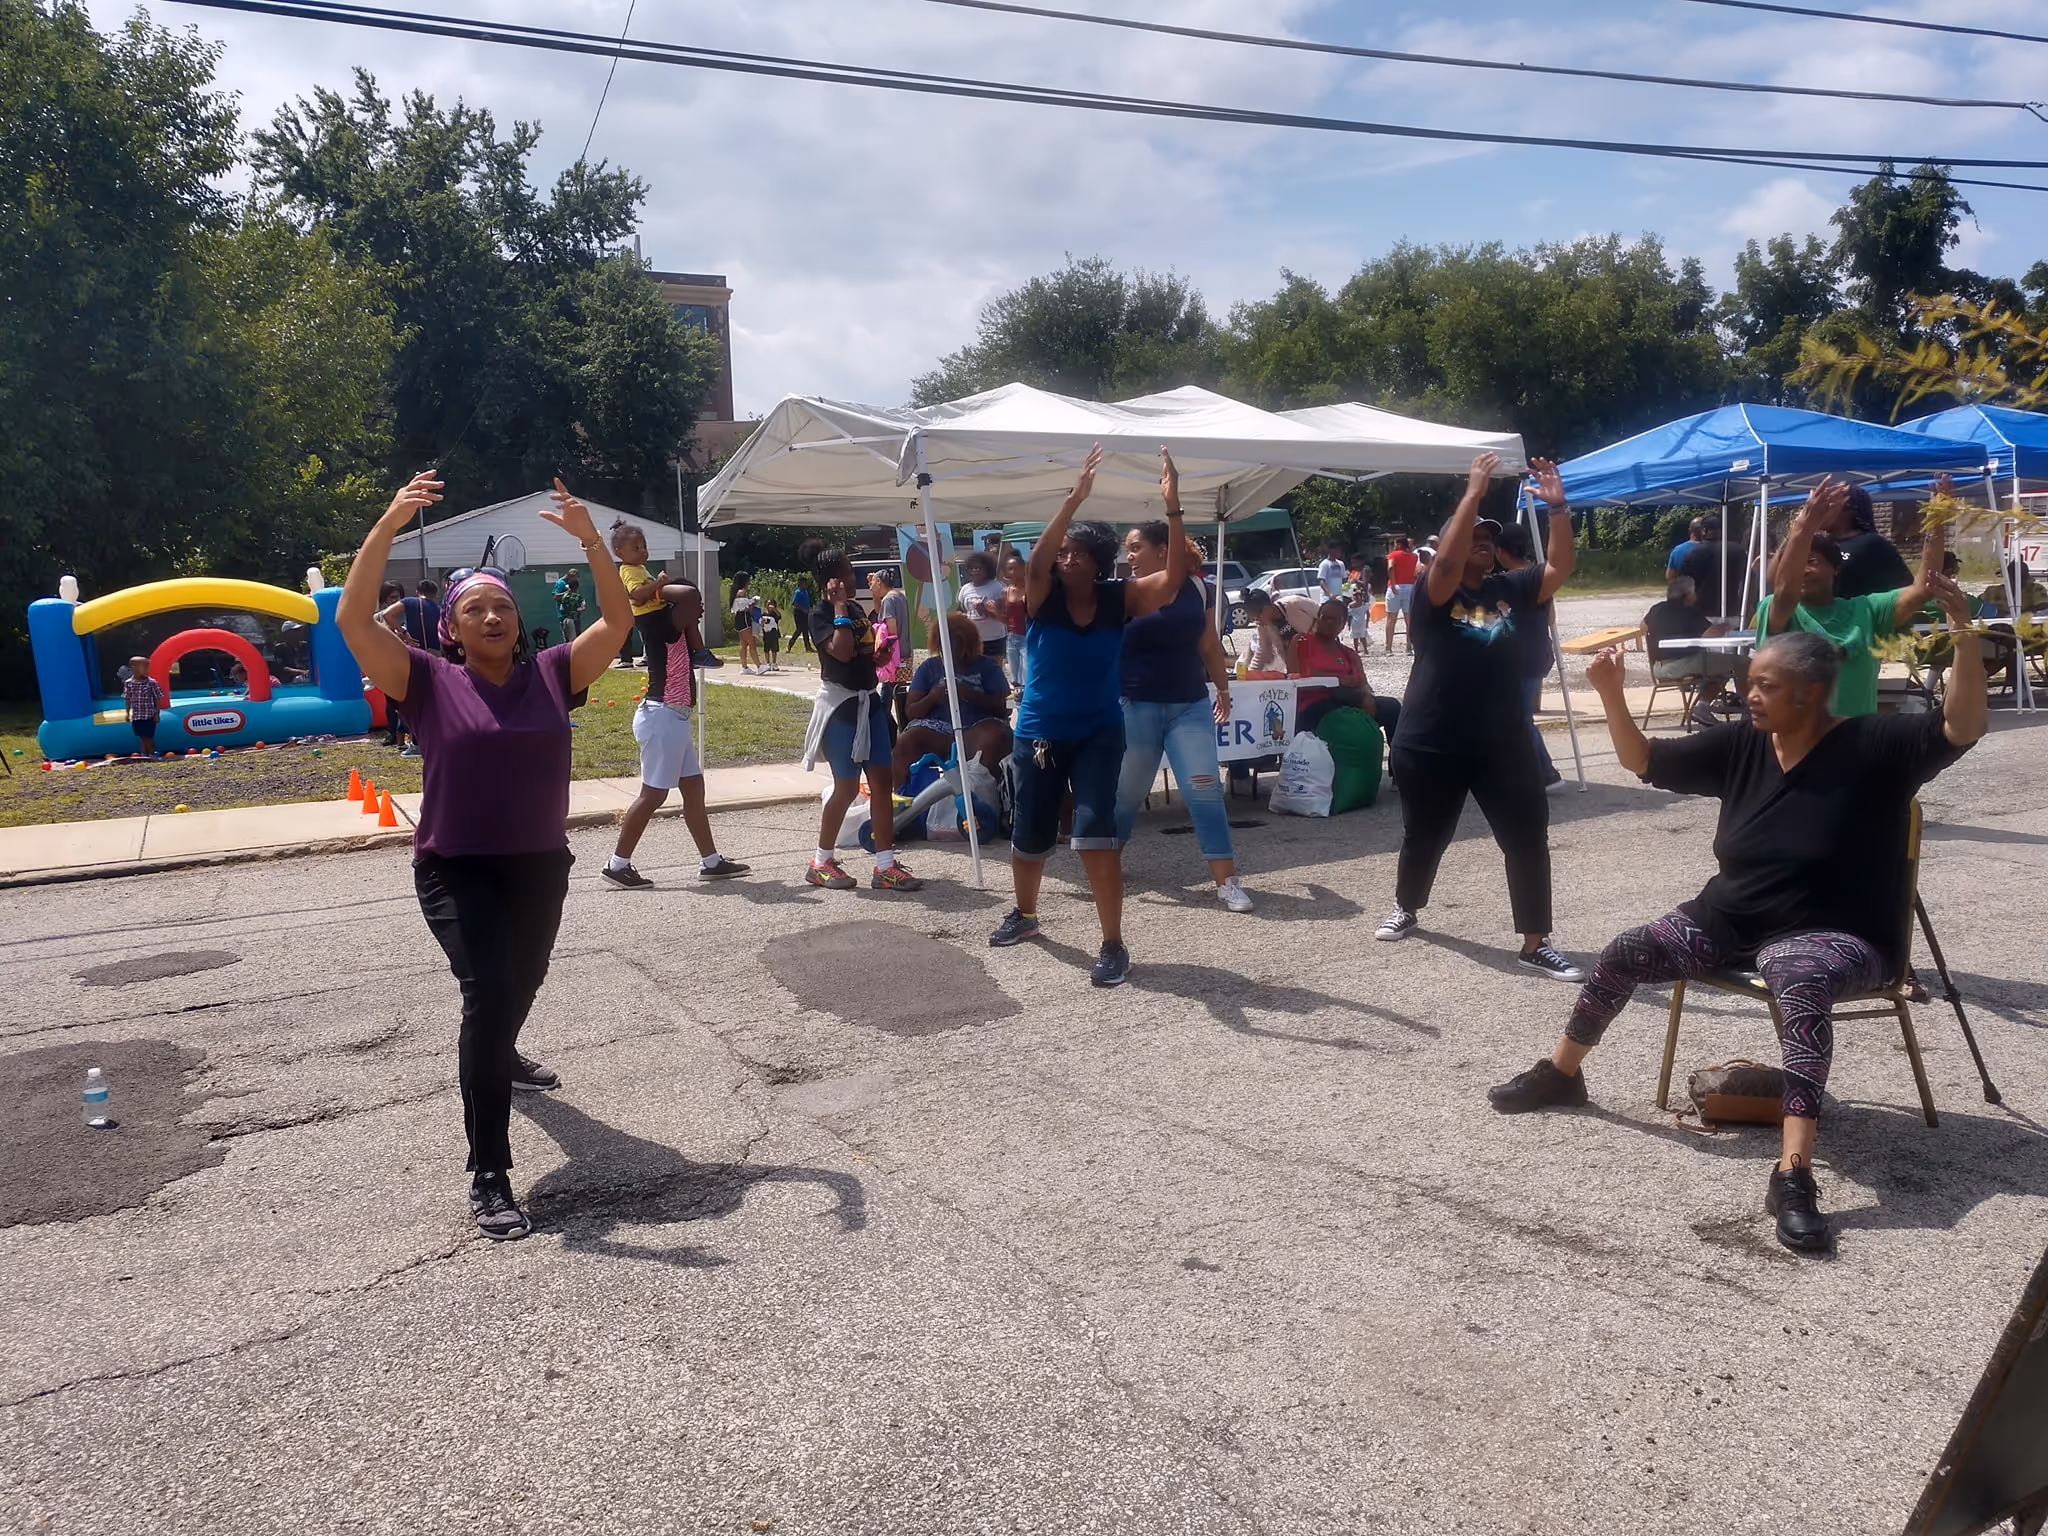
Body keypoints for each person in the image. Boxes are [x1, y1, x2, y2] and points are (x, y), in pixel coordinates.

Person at [1488, 582, 1985, 1254]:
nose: (1749, 694)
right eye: (1750, 682)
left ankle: (1793, 1173)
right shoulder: (1743, 745)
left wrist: (1963, 639)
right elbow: (1644, 762)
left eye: (1766, 685)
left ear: (1809, 693)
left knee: (1797, 972)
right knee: (1628, 947)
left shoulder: (1877, 747)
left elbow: (1962, 725)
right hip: (1731, 920)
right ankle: (1563, 1073)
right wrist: (1609, 692)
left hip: (1842, 932)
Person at [337, 471, 631, 1241]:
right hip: (455, 864)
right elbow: (353, 618)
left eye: (502, 604)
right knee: (491, 985)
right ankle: (489, 1173)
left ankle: (501, 1051)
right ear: (453, 629)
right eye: (476, 608)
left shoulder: (553, 674)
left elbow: (619, 619)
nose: (493, 614)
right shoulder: (426, 682)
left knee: (521, 981)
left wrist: (591, 540)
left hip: (539, 862)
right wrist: (389, 525)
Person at [1374, 453, 1584, 982]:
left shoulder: (1509, 589)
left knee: (1527, 837)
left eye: (1490, 536)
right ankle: (1407, 907)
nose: (1485, 540)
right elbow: (1444, 567)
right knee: (1424, 837)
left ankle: (1536, 942)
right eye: (1473, 534)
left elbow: (1559, 568)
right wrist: (1472, 493)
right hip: (1432, 739)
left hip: (1502, 741)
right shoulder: (1432, 592)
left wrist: (1558, 508)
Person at [989, 445, 1191, 986]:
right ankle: (1026, 915)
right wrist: (1074, 500)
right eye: (1065, 552)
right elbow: (1035, 561)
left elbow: (1172, 580)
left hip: (1100, 732)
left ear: (1099, 563)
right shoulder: (1041, 596)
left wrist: (1173, 508)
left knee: (1096, 833)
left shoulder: (1117, 598)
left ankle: (1113, 944)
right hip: (1039, 733)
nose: (1067, 559)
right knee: (1030, 834)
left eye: (1079, 553)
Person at [1112, 519, 1252, 914]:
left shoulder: (1197, 588)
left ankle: (1226, 882)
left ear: (1163, 549)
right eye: (1127, 549)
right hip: (1136, 705)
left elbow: (1208, 642)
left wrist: (1222, 689)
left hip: (1189, 705)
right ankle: (1107, 867)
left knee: (1205, 791)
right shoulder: (1125, 593)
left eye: (1136, 547)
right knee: (1127, 796)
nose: (1130, 556)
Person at [601, 576, 750, 891]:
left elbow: (690, 601)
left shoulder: (679, 631)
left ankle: (711, 862)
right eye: (695, 607)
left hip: (673, 719)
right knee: (653, 795)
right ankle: (617, 864)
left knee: (693, 789)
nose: (699, 611)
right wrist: (650, 590)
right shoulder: (660, 624)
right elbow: (688, 596)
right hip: (661, 717)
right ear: (673, 606)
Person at [1758, 478, 1942, 719]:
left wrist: (1936, 520)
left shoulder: (1866, 609)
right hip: (1799, 747)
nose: (1802, 570)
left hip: (1856, 742)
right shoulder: (1780, 609)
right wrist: (1803, 524)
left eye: (1811, 562)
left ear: (1836, 568)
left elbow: (1923, 587)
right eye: (1798, 563)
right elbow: (1782, 588)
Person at [800, 543, 922, 892]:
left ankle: (885, 866)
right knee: (847, 787)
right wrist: (838, 607)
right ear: (833, 579)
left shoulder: (856, 608)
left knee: (882, 782)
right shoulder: (821, 613)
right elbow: (839, 650)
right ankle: (821, 861)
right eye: (849, 571)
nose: (855, 577)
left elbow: (864, 650)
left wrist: (879, 653)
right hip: (842, 710)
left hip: (869, 704)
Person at [894, 612, 1014, 782]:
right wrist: (934, 696)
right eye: (946, 648)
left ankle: (985, 797)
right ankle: (905, 800)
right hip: (935, 729)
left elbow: (1003, 707)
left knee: (996, 738)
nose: (954, 655)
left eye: (959, 649)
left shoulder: (987, 666)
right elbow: (911, 711)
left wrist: (969, 694)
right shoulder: (929, 667)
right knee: (904, 743)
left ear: (970, 645)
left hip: (976, 729)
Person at [1492, 523, 1563, 790]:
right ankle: (1518, 768)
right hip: (1539, 653)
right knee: (1514, 715)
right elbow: (1551, 618)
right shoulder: (1539, 576)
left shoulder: (1507, 582)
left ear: (1500, 551)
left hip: (1518, 657)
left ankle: (1547, 772)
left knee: (1519, 717)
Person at [1293, 597, 1401, 742]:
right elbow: (1296, 673)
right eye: (1325, 618)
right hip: (1314, 702)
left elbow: (1363, 682)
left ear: (1343, 624)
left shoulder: (1349, 654)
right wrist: (1337, 679)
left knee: (1392, 706)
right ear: (1317, 618)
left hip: (1347, 700)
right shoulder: (1302, 642)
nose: (1329, 623)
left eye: (1335, 620)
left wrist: (1367, 697)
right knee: (1339, 715)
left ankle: (1398, 760)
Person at [1825, 485, 1913, 601]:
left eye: (1827, 505)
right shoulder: (1820, 545)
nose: (1819, 511)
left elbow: (1906, 590)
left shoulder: (1873, 544)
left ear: (1847, 508)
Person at [869, 568, 914, 727]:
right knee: (899, 695)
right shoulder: (900, 596)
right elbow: (878, 611)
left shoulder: (888, 600)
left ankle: (890, 731)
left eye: (873, 582)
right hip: (905, 654)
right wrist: (875, 595)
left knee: (885, 699)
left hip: (893, 658)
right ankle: (903, 728)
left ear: (879, 582)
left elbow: (892, 631)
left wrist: (881, 653)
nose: (870, 586)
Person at [957, 552, 1011, 682]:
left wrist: (988, 611)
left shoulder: (997, 587)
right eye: (972, 568)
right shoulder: (965, 589)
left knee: (995, 672)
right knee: (975, 672)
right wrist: (962, 617)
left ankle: (997, 698)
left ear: (987, 569)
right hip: (973, 639)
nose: (975, 571)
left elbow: (1005, 615)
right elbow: (960, 610)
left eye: (979, 568)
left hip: (994, 637)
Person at [1677, 515, 1738, 622]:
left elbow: (1683, 585)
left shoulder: (1692, 553)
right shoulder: (1737, 550)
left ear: (1704, 530)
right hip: (1733, 611)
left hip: (1702, 614)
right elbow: (1747, 580)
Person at [1242, 589, 1299, 675]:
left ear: (1266, 609)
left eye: (1257, 617)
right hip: (1294, 665)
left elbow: (1319, 612)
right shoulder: (1263, 625)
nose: (1257, 621)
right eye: (1254, 619)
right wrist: (1251, 674)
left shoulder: (1294, 603)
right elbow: (1262, 651)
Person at [1383, 535, 1419, 652]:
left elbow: (1390, 568)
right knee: (1409, 619)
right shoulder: (1414, 556)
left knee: (1391, 618)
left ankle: (1388, 648)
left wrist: (1393, 584)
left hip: (1396, 586)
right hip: (1410, 586)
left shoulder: (1393, 555)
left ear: (1399, 545)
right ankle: (1409, 647)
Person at [123, 656, 163, 757]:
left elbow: (158, 698)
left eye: (147, 667)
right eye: (144, 667)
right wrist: (127, 713)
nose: (147, 670)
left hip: (149, 714)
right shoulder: (129, 683)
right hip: (137, 715)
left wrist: (157, 714)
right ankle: (144, 753)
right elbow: (128, 698)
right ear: (133, 667)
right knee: (141, 736)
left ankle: (150, 753)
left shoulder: (151, 683)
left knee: (149, 736)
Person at [1001, 552, 1030, 693]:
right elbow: (1006, 619)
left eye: (1015, 568)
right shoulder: (1006, 592)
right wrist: (992, 611)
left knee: (1027, 674)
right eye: (1009, 568)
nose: (1012, 572)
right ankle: (1019, 709)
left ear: (1024, 568)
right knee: (1014, 678)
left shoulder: (1031, 589)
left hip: (1028, 636)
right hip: (1012, 636)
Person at [728, 573, 763, 674]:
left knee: (743, 643)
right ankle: (759, 666)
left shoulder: (736, 592)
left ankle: (744, 667)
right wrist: (754, 601)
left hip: (739, 620)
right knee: (751, 642)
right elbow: (746, 607)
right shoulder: (741, 592)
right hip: (744, 619)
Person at [1666, 517, 1705, 582]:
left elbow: (1670, 577)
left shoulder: (1677, 550)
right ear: (1705, 531)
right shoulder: (1713, 549)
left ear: (1690, 530)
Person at [552, 570, 585, 641]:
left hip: (573, 616)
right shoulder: (561, 583)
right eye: (574, 578)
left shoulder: (568, 584)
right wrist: (568, 592)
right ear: (570, 576)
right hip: (565, 615)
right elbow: (555, 596)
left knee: (576, 636)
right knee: (569, 638)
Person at [1346, 582, 1373, 664]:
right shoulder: (1360, 605)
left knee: (1358, 637)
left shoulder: (1353, 605)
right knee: (1359, 637)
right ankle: (1361, 650)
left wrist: (1348, 624)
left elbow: (1349, 615)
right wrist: (1367, 622)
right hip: (1359, 623)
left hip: (1357, 622)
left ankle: (1360, 650)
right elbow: (1367, 614)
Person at [790, 579, 813, 653]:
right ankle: (789, 645)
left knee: (806, 630)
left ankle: (808, 647)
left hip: (805, 613)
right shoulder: (798, 592)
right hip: (799, 612)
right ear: (801, 584)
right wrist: (803, 609)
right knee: (799, 629)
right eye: (804, 583)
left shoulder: (806, 592)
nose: (806, 585)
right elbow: (794, 603)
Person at [759, 599, 782, 671]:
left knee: (774, 649)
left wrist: (775, 609)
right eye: (768, 604)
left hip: (774, 633)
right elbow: (761, 623)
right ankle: (768, 663)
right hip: (766, 633)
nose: (770, 606)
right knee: (766, 649)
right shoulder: (763, 614)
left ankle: (774, 663)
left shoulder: (775, 614)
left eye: (771, 604)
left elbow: (779, 616)